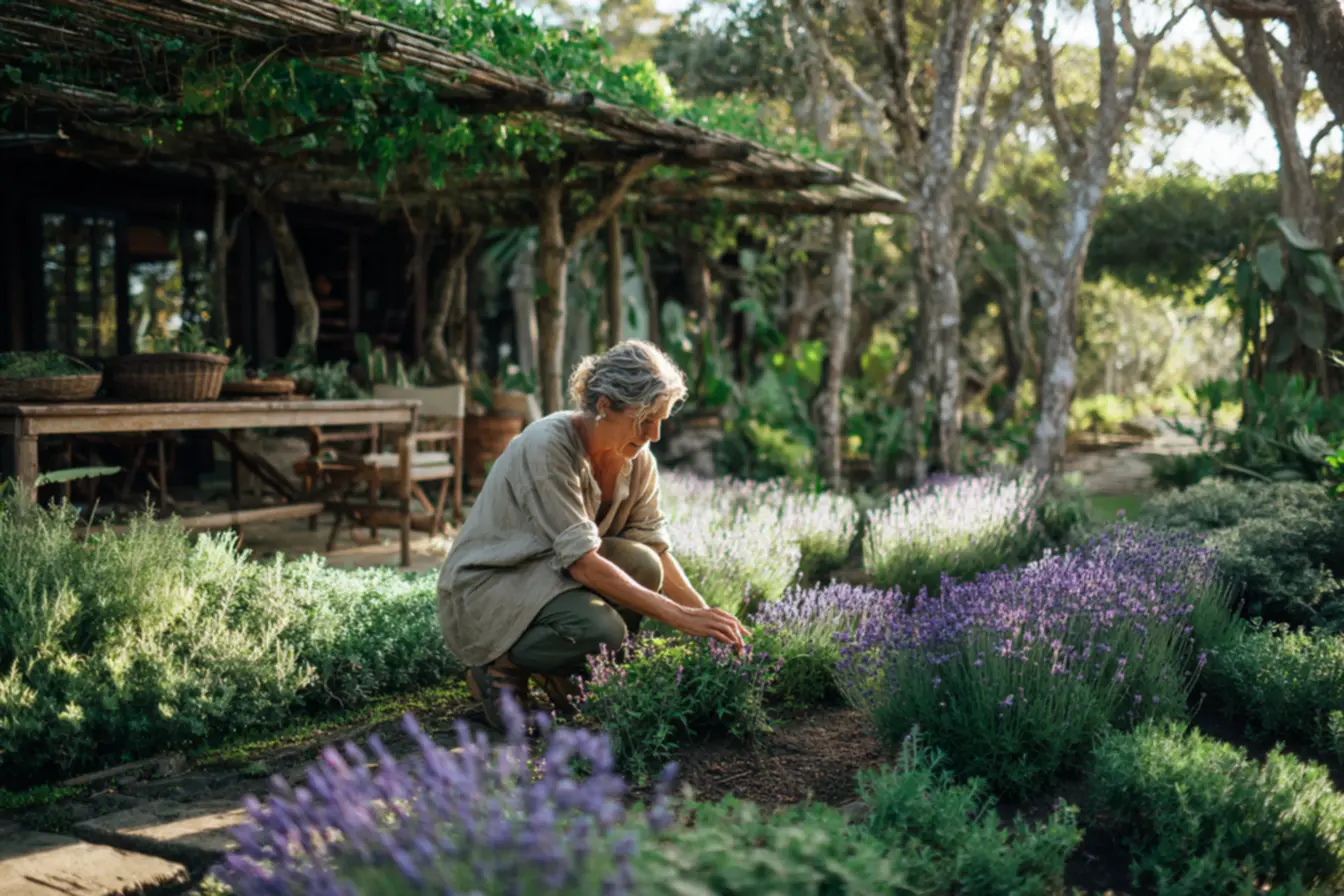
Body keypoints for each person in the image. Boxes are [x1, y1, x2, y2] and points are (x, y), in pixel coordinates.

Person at [436, 339, 750, 731]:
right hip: (493, 587)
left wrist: (708, 620)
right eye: (645, 419)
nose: (654, 434)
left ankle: (570, 671)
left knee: (643, 562)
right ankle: (499, 669)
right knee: (602, 630)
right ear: (604, 406)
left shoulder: (637, 459)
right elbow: (584, 565)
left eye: (662, 420)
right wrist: (680, 618)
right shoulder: (548, 447)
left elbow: (655, 547)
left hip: (549, 579)